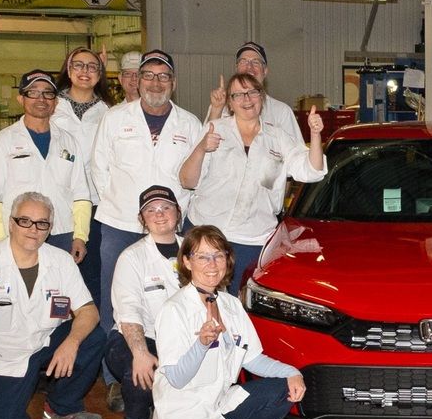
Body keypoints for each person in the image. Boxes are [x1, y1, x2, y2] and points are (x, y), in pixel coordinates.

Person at [140, 225, 305, 419]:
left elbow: (253, 359)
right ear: (187, 262)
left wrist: (293, 373)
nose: (212, 264)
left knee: (283, 388)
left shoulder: (231, 305)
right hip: (185, 415)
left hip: (217, 404)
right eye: (203, 256)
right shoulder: (174, 310)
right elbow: (177, 379)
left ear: (228, 259)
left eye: (218, 255)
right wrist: (201, 344)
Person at [0, 192, 107, 419]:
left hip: (43, 343)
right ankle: (28, 384)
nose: (33, 229)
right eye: (24, 221)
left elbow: (89, 311)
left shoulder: (61, 260)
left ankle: (61, 407)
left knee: (93, 337)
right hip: (2, 356)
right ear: (11, 223)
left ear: (50, 228)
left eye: (42, 223)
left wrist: (71, 342)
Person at [91, 49, 205, 341]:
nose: (156, 83)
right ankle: (114, 362)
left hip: (169, 228)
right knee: (115, 296)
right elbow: (98, 167)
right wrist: (120, 202)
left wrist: (177, 214)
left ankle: (170, 353)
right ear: (138, 81)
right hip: (120, 224)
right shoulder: (114, 119)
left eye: (163, 77)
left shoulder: (190, 124)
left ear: (173, 83)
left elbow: (196, 176)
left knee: (170, 293)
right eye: (149, 76)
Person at [180, 73, 328, 294]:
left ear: (262, 96)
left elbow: (312, 171)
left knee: (241, 306)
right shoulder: (215, 129)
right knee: (197, 302)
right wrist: (201, 148)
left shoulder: (278, 138)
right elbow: (187, 180)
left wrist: (315, 135)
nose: (247, 99)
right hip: (206, 232)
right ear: (230, 103)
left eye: (252, 92)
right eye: (238, 95)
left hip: (252, 240)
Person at [52, 46, 120, 411]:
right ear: (67, 68)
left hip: (95, 208)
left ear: (100, 73)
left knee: (92, 285)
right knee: (58, 286)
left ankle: (88, 357)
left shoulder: (107, 112)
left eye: (91, 66)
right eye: (77, 65)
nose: (84, 71)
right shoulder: (52, 105)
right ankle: (53, 356)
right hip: (58, 208)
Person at [0, 70, 91, 264]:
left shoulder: (69, 142)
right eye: (33, 92)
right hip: (18, 236)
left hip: (62, 233)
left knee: (59, 283)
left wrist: (80, 236)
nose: (41, 99)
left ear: (56, 102)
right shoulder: (0, 142)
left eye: (48, 93)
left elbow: (81, 193)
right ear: (21, 99)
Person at [106, 185, 183, 419]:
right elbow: (128, 311)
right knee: (139, 370)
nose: (159, 214)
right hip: (141, 335)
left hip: (184, 337)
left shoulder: (196, 250)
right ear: (142, 219)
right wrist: (140, 353)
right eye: (151, 210)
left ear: (178, 212)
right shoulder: (131, 257)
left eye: (166, 207)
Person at [205, 42, 304, 143]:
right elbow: (203, 145)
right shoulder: (220, 105)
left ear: (265, 71)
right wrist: (216, 109)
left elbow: (297, 150)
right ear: (236, 69)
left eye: (255, 62)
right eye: (243, 62)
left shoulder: (282, 112)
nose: (249, 67)